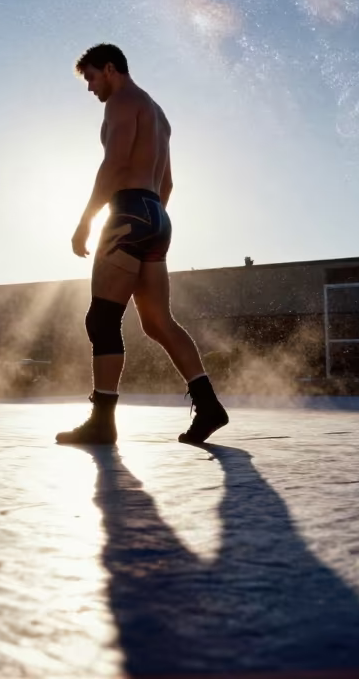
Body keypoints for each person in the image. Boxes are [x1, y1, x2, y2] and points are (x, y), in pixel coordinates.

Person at [56, 43, 229, 446]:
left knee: (102, 319)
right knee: (158, 322)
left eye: (92, 78)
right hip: (156, 215)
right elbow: (167, 182)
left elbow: (114, 165)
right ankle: (209, 405)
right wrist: (150, 221)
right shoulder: (159, 114)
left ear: (111, 69)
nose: (90, 88)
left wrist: (86, 222)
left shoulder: (120, 103)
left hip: (129, 212)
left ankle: (102, 422)